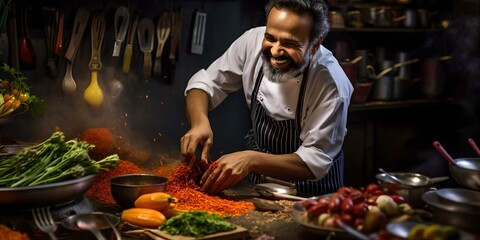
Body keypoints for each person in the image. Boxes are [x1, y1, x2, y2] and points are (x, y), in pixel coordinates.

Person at [180, 0, 353, 196]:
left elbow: (315, 161)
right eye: (270, 38)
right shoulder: (251, 42)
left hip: (311, 196)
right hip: (256, 187)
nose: (275, 51)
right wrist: (199, 123)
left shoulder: (331, 83)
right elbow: (206, 83)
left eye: (289, 43)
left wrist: (251, 160)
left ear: (315, 45)